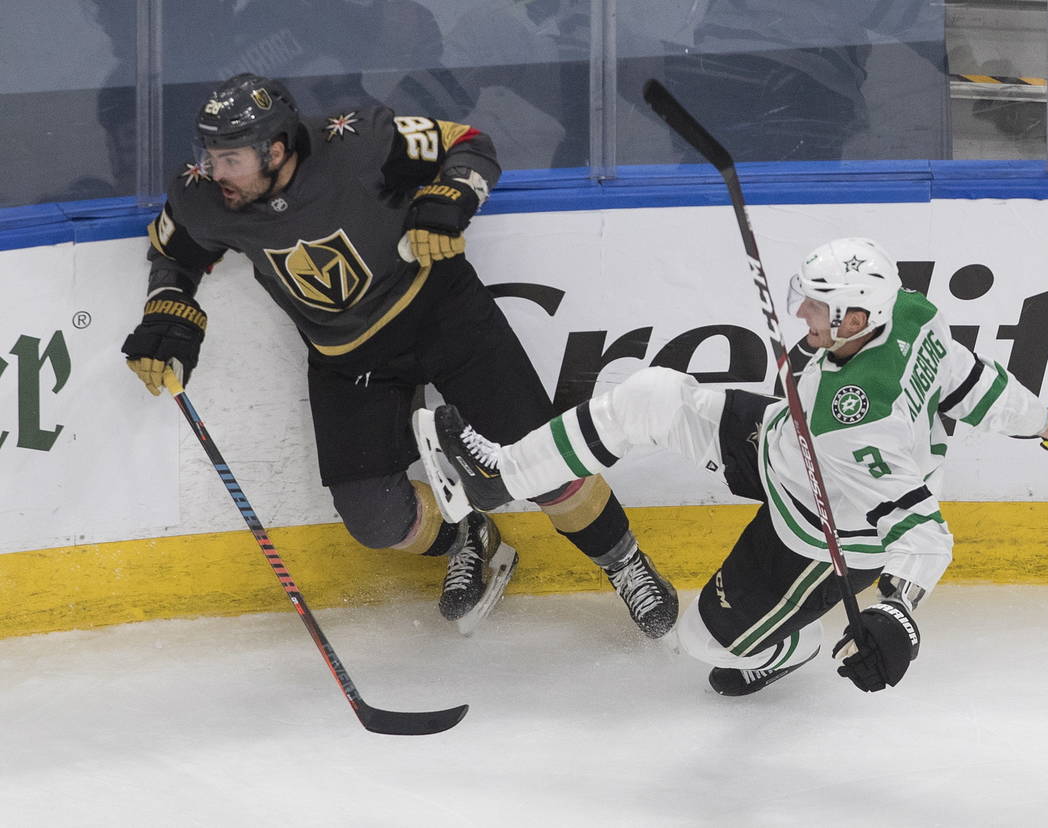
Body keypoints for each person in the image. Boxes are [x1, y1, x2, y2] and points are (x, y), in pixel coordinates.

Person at [420, 237, 1048, 695]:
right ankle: (501, 474)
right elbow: (971, 383)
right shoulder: (909, 314)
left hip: (820, 537)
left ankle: (787, 647)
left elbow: (924, 533)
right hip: (785, 447)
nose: (802, 313)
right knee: (652, 396)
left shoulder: (864, 428)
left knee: (705, 648)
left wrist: (899, 614)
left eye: (817, 308)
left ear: (856, 320)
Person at [120, 73, 677, 636]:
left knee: (544, 464)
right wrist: (168, 312)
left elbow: (469, 143)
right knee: (374, 519)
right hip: (347, 357)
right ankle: (470, 536)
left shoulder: (358, 141)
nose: (217, 173)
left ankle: (624, 562)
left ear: (277, 150)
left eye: (231, 159)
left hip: (443, 316)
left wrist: (451, 196)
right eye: (210, 156)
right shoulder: (204, 195)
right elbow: (176, 252)